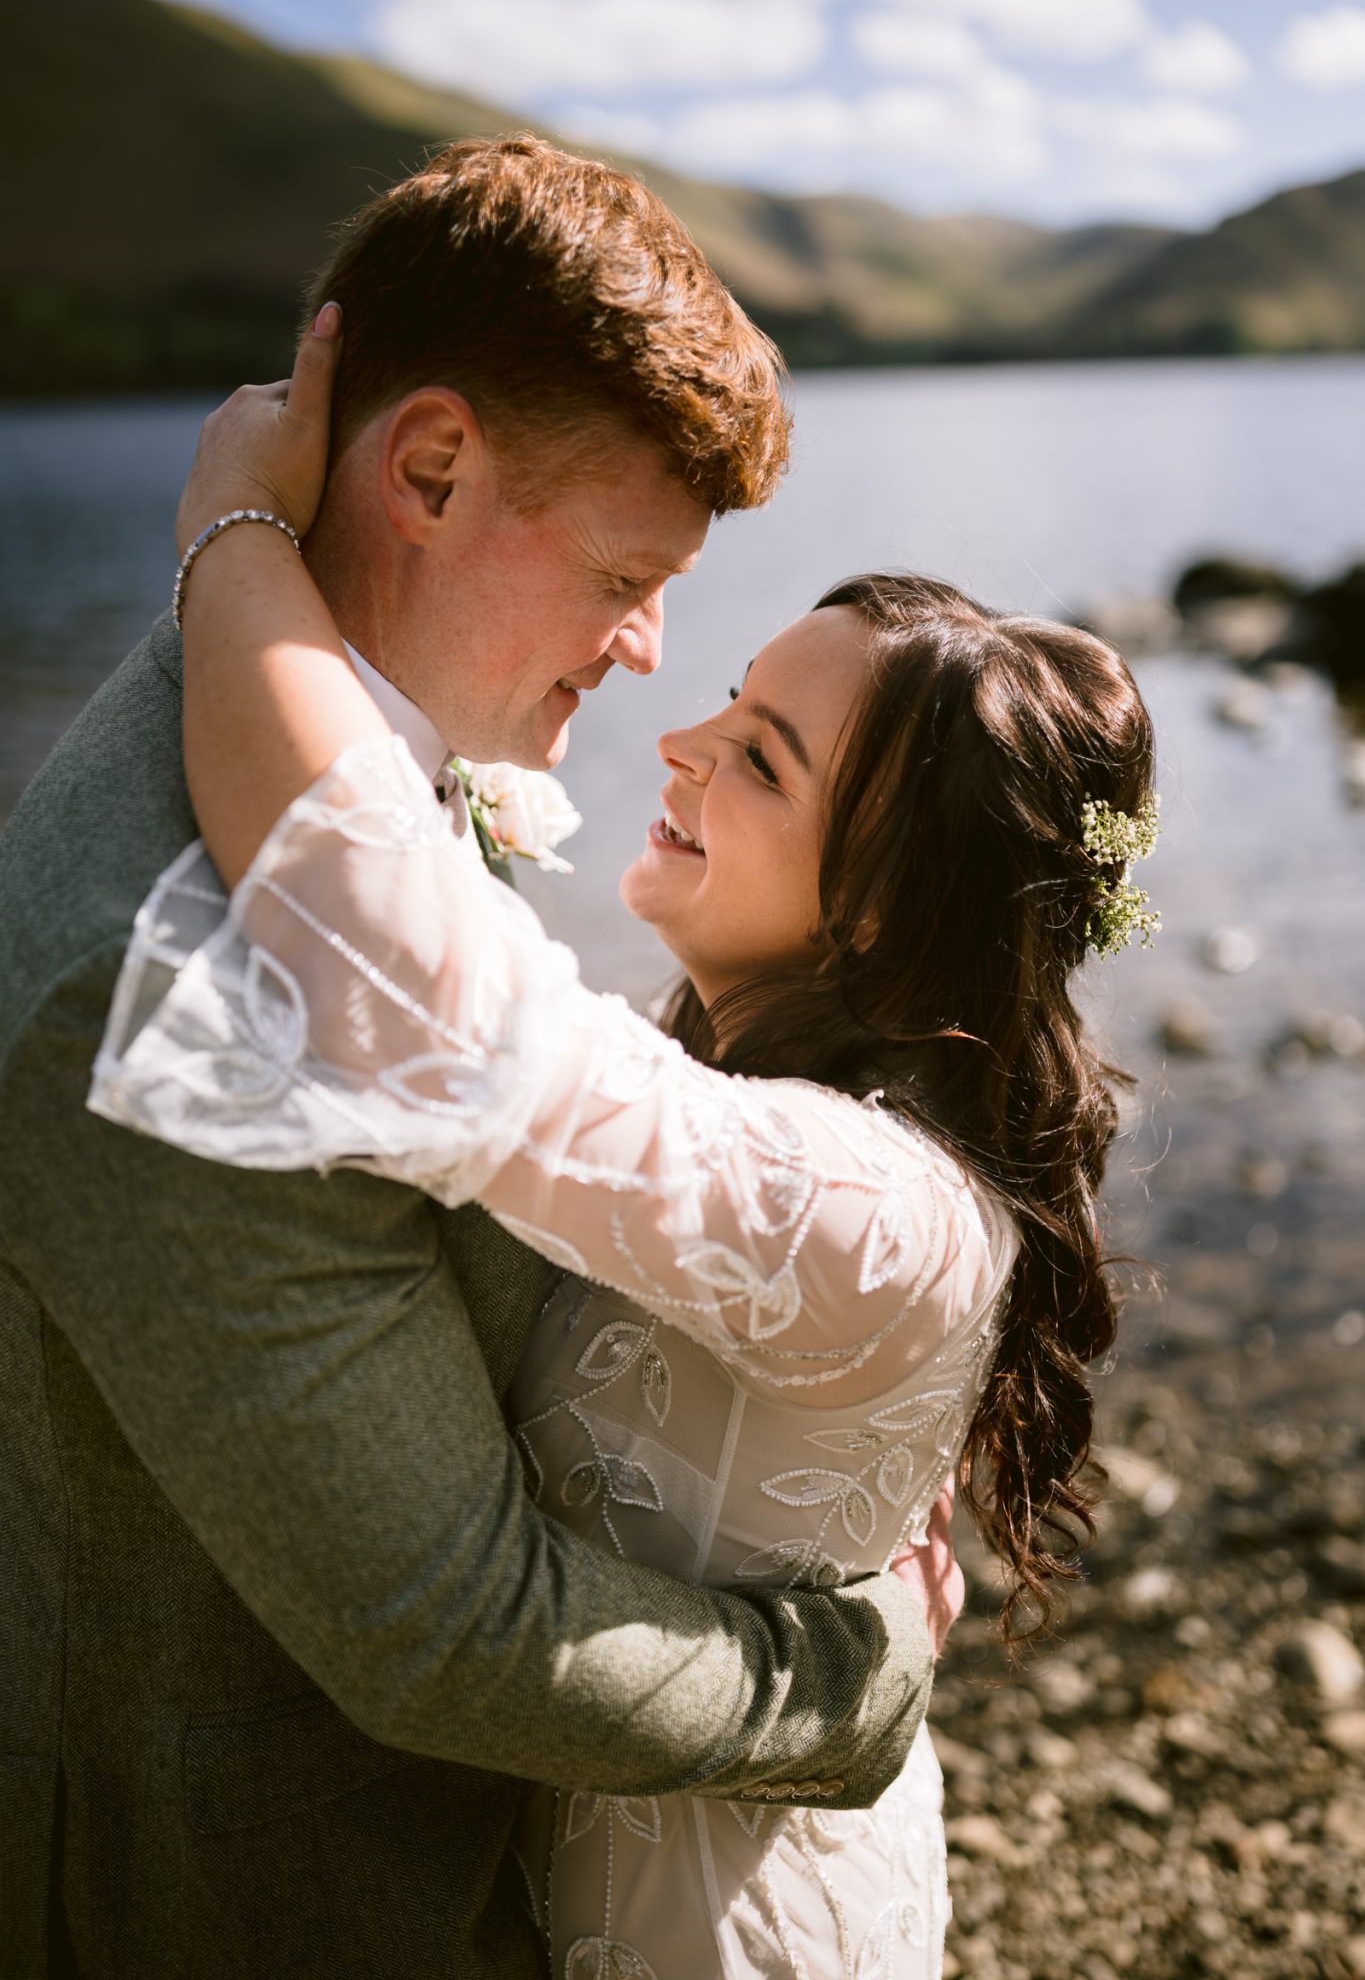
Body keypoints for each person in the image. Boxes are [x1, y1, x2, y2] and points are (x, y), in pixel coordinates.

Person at [87, 311, 1159, 1978]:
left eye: (762, 759)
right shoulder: (755, 1102)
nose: (680, 740)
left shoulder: (866, 1208)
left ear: (879, 913)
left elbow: (389, 976)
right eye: (732, 699)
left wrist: (229, 531)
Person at [0, 139, 957, 1980]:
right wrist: (850, 1684)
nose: (649, 649)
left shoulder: (326, 741)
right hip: (248, 1897)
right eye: (622, 568)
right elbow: (446, 1629)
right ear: (428, 466)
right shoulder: (166, 987)